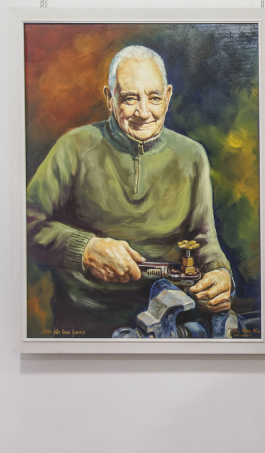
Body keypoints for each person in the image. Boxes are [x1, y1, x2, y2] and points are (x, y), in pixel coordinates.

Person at [26, 45, 233, 337]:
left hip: (173, 321)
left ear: (169, 96)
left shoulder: (192, 156)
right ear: (109, 97)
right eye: (130, 98)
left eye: (154, 97)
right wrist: (85, 249)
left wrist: (220, 273)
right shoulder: (73, 147)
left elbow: (204, 240)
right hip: (87, 323)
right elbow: (23, 223)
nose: (143, 112)